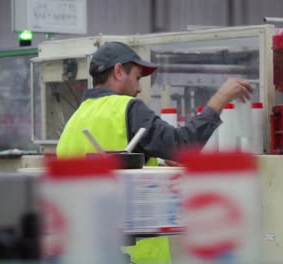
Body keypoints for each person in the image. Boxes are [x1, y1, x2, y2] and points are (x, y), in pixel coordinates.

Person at [55, 41, 253, 263]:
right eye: (137, 78)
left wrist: (156, 170)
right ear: (119, 71)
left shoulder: (73, 122)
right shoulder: (127, 108)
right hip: (137, 255)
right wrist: (220, 99)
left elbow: (101, 179)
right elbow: (182, 146)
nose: (139, 88)